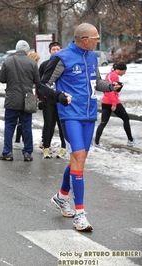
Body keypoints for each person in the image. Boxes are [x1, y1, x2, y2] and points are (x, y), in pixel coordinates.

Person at [38, 23, 122, 231]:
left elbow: (97, 83)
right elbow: (42, 85)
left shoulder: (92, 57)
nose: (97, 42)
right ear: (85, 40)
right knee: (79, 156)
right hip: (70, 115)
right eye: (95, 39)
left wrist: (111, 87)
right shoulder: (62, 57)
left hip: (89, 114)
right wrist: (59, 96)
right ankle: (80, 214)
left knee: (79, 157)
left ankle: (61, 197)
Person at [0, 40, 40, 162]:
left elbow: (2, 79)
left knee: (9, 125)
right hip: (27, 99)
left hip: (12, 98)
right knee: (26, 126)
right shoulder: (32, 63)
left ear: (16, 49)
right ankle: (27, 152)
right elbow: (37, 80)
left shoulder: (7, 61)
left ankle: (7, 152)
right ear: (27, 51)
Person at [94, 62, 135, 147]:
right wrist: (114, 103)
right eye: (124, 71)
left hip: (105, 101)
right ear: (121, 70)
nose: (124, 73)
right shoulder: (114, 76)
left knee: (103, 122)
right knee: (126, 118)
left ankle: (96, 142)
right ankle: (130, 141)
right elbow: (112, 90)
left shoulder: (109, 74)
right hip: (113, 101)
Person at [38, 41, 67, 159]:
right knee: (48, 124)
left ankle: (64, 148)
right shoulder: (44, 65)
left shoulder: (65, 64)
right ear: (50, 51)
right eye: (53, 49)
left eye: (58, 49)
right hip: (48, 99)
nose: (56, 51)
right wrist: (40, 98)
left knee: (62, 125)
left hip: (61, 99)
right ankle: (46, 147)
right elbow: (40, 83)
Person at [13, 51, 40, 150]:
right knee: (25, 121)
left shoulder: (22, 66)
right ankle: (22, 142)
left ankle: (19, 140)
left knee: (21, 120)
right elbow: (37, 81)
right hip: (26, 95)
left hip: (17, 95)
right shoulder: (31, 66)